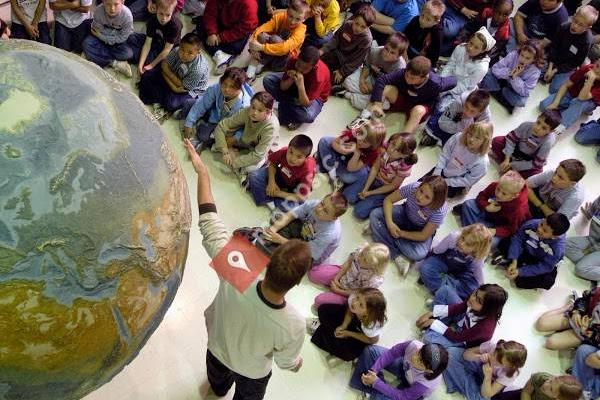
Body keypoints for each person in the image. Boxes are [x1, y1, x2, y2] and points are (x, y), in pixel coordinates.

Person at [183, 138, 310, 400]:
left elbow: (209, 222)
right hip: (252, 373)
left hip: (217, 349)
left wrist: (204, 173)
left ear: (267, 262)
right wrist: (297, 365)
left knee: (217, 385)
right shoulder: (293, 324)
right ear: (296, 283)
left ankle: (218, 391)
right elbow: (287, 362)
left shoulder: (237, 272)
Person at [355, 56, 457, 134]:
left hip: (419, 105)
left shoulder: (436, 83)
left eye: (412, 78)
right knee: (387, 89)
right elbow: (382, 80)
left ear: (424, 77)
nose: (408, 79)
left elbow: (454, 81)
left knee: (418, 111)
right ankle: (362, 119)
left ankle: (402, 142)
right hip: (404, 99)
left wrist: (441, 83)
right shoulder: (403, 73)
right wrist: (377, 103)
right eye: (407, 75)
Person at [369, 175, 449, 275]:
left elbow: (423, 235)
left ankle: (381, 233)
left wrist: (400, 233)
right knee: (375, 214)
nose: (420, 197)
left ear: (434, 201)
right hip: (405, 213)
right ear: (420, 186)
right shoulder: (413, 187)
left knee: (420, 254)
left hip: (420, 228)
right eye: (421, 191)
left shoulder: (439, 211)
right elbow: (388, 200)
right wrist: (389, 223)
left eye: (427, 197)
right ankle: (396, 255)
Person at [344, 133, 418, 220]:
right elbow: (375, 167)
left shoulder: (404, 167)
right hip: (375, 177)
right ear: (391, 140)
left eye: (397, 150)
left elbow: (392, 186)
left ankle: (377, 202)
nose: (391, 149)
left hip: (385, 189)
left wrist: (370, 193)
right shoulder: (384, 148)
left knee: (359, 211)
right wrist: (366, 188)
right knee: (348, 196)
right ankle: (363, 194)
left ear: (404, 155)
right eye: (393, 144)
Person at [263, 192, 348, 265]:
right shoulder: (314, 204)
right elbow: (291, 215)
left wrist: (281, 240)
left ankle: (279, 249)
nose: (319, 209)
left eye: (325, 211)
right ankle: (278, 242)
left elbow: (307, 251)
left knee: (297, 261)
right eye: (322, 203)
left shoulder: (330, 233)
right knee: (286, 221)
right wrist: (273, 229)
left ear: (333, 218)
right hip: (304, 231)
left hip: (312, 253)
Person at [138, 33, 210, 118]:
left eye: (190, 53)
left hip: (189, 90)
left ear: (198, 53)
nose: (184, 55)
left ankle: (159, 99)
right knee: (147, 75)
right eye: (182, 49)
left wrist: (165, 74)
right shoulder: (176, 50)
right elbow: (164, 65)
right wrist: (173, 87)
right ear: (179, 45)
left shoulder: (198, 69)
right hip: (175, 76)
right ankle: (160, 100)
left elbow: (182, 86)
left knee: (171, 104)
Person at [416, 283, 509, 349]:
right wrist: (433, 313)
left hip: (462, 341)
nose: (472, 299)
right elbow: (459, 308)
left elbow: (457, 338)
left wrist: (434, 323)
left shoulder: (484, 328)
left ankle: (434, 326)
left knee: (429, 338)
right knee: (445, 290)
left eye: (479, 301)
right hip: (463, 321)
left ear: (487, 309)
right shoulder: (474, 301)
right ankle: (436, 323)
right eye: (475, 293)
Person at [307, 288, 387, 361]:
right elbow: (349, 310)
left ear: (368, 313)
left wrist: (348, 333)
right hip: (352, 320)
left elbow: (372, 340)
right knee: (323, 309)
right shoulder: (354, 299)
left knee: (349, 354)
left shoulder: (372, 324)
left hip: (361, 334)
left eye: (361, 305)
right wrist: (344, 325)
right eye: (357, 298)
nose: (355, 302)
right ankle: (326, 334)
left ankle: (320, 330)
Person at [262, 45, 331, 130]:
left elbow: (306, 103)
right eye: (298, 65)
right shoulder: (293, 60)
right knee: (268, 80)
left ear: (313, 67)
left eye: (305, 68)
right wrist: (291, 79)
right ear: (298, 57)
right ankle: (290, 105)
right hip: (295, 86)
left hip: (314, 97)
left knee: (309, 116)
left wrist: (301, 86)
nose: (300, 70)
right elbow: (283, 87)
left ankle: (286, 105)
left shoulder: (318, 76)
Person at [456, 170, 531, 249]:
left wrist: (495, 231)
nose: (498, 194)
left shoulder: (519, 210)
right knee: (468, 204)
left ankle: (474, 234)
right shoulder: (496, 185)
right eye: (498, 189)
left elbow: (511, 229)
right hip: (489, 214)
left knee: (493, 242)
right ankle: (475, 234)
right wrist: (486, 206)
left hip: (498, 226)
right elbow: (481, 196)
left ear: (514, 196)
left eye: (504, 194)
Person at [212, 91, 280, 177]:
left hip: (261, 150)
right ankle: (235, 156)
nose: (254, 112)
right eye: (253, 107)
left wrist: (234, 161)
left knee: (250, 168)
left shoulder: (271, 127)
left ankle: (240, 163)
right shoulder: (247, 111)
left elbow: (258, 155)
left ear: (268, 112)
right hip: (246, 140)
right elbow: (222, 126)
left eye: (260, 110)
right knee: (220, 135)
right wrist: (225, 151)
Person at [349, 341, 449, 399]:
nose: (414, 357)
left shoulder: (425, 384)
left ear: (429, 370)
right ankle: (370, 386)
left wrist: (377, 383)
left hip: (412, 388)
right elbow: (392, 353)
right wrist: (374, 370)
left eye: (420, 361)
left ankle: (373, 389)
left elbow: (402, 397)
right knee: (371, 351)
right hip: (404, 368)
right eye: (419, 352)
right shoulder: (414, 345)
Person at [494, 213, 569, 290]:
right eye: (542, 224)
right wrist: (514, 260)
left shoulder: (558, 248)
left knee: (548, 281)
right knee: (505, 242)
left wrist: (520, 272)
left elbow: (545, 266)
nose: (539, 229)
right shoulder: (532, 224)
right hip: (526, 250)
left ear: (554, 236)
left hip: (540, 261)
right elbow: (518, 238)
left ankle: (516, 268)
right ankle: (513, 263)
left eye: (545, 230)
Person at [182, 67, 253, 149]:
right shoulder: (218, 87)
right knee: (188, 103)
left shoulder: (245, 106)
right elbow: (201, 104)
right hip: (212, 111)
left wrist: (235, 137)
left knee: (204, 136)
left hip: (223, 125)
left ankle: (202, 128)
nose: (226, 89)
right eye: (225, 84)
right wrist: (189, 123)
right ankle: (198, 123)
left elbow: (244, 127)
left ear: (240, 88)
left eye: (232, 87)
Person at [419, 224, 492, 301]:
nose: (462, 244)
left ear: (477, 249)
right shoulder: (453, 237)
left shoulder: (478, 256)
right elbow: (436, 251)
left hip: (463, 271)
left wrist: (482, 289)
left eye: (468, 244)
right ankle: (446, 292)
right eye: (463, 238)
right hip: (445, 260)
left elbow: (478, 275)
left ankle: (442, 287)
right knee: (426, 268)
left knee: (473, 289)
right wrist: (425, 261)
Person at [247, 134, 317, 212]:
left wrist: (279, 193)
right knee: (254, 176)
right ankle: (270, 201)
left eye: (299, 157)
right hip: (282, 175)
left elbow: (302, 197)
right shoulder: (283, 151)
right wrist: (271, 182)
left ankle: (270, 196)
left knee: (293, 208)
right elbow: (272, 164)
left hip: (295, 188)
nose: (292, 158)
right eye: (291, 152)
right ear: (288, 147)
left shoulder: (308, 170)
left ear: (306, 158)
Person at [339, 32, 407, 110]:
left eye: (392, 53)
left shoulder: (400, 68)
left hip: (383, 89)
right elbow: (367, 65)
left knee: (385, 105)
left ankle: (348, 94)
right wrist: (362, 80)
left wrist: (373, 89)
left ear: (398, 56)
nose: (387, 53)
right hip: (371, 78)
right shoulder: (375, 51)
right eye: (386, 49)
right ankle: (357, 96)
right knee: (348, 80)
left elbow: (391, 89)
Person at [245, 0, 310, 82]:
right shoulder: (280, 16)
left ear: (304, 19)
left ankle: (259, 66)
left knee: (275, 39)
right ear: (286, 12)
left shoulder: (301, 31)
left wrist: (262, 48)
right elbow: (263, 28)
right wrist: (254, 43)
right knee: (261, 36)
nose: (292, 21)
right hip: (273, 48)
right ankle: (251, 73)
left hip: (283, 61)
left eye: (298, 19)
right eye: (290, 16)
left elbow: (284, 48)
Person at [308, 243, 389, 307]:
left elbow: (359, 293)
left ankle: (338, 299)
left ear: (373, 267)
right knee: (313, 274)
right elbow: (348, 263)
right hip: (343, 275)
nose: (360, 258)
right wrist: (336, 279)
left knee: (319, 301)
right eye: (362, 254)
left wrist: (339, 291)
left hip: (349, 293)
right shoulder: (361, 252)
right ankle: (332, 286)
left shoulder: (374, 280)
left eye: (365, 260)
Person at [443, 340, 528, 400]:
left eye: (499, 362)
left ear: (510, 366)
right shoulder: (493, 345)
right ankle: (461, 384)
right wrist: (479, 357)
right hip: (477, 366)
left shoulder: (512, 373)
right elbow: (466, 354)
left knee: (480, 398)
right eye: (494, 354)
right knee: (449, 353)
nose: (493, 360)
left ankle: (456, 381)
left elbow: (487, 394)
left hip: (486, 382)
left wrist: (488, 376)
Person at [316, 119, 385, 192]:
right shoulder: (354, 133)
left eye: (364, 142)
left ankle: (328, 167)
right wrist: (344, 150)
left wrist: (356, 153)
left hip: (348, 167)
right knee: (324, 141)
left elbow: (350, 169)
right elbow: (334, 142)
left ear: (372, 145)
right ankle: (331, 171)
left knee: (348, 178)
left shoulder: (373, 152)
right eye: (360, 136)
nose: (360, 141)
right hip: (340, 157)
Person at [426, 122, 492, 198]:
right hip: (443, 169)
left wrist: (446, 182)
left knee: (435, 196)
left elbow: (468, 180)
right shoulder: (458, 137)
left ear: (485, 141)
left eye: (477, 138)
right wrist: (437, 171)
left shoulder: (482, 163)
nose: (471, 139)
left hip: (456, 181)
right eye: (470, 134)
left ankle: (463, 190)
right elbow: (445, 154)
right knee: (424, 184)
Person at [438, 27, 496, 110]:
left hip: (461, 91)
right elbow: (450, 65)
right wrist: (442, 81)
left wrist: (445, 90)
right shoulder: (460, 48)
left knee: (440, 108)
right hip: (449, 79)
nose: (470, 48)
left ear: (483, 51)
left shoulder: (481, 68)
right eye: (471, 43)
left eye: (476, 47)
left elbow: (464, 86)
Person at [490, 110, 560, 178]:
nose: (538, 128)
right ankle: (508, 166)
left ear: (550, 131)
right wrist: (507, 159)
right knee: (497, 141)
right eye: (538, 122)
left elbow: (536, 163)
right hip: (516, 150)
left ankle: (508, 166)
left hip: (528, 159)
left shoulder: (548, 142)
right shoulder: (526, 125)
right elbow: (511, 139)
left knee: (536, 173)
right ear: (537, 117)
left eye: (544, 128)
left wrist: (512, 165)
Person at [543, 5, 597, 93]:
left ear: (588, 28)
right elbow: (554, 47)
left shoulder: (586, 41)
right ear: (574, 16)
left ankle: (556, 76)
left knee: (554, 89)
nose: (575, 26)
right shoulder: (563, 26)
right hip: (555, 58)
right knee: (537, 69)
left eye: (581, 25)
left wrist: (555, 71)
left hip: (568, 65)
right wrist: (550, 67)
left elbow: (575, 62)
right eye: (575, 21)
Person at [195, 0, 258, 74]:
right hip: (221, 22)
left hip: (237, 30)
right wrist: (211, 33)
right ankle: (219, 55)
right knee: (200, 24)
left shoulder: (249, 3)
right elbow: (210, 13)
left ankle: (219, 53)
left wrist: (221, 37)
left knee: (236, 47)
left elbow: (245, 28)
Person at [319, 4, 375, 87]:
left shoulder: (366, 40)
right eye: (356, 23)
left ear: (368, 27)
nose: (358, 28)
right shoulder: (347, 25)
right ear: (354, 18)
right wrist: (323, 50)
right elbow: (335, 39)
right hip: (336, 54)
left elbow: (357, 61)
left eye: (363, 27)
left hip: (346, 64)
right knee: (317, 62)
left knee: (331, 80)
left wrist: (342, 72)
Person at [480, 41, 544, 113]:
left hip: (514, 89)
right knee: (487, 75)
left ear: (534, 59)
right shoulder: (513, 55)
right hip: (501, 79)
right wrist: (509, 73)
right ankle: (500, 93)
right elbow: (495, 68)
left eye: (527, 58)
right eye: (522, 55)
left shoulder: (535, 72)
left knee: (521, 102)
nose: (523, 59)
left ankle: (500, 92)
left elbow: (525, 92)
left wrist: (515, 78)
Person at [540, 59, 600, 134]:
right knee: (543, 106)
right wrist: (555, 103)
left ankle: (562, 126)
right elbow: (565, 85)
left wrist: (591, 79)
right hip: (572, 94)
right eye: (597, 64)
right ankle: (569, 111)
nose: (596, 69)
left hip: (588, 102)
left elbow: (581, 97)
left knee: (578, 102)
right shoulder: (587, 68)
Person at [535, 286, 600, 350]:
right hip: (580, 316)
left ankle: (578, 344)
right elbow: (584, 299)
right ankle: (567, 307)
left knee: (550, 343)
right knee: (540, 324)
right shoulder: (597, 291)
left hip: (587, 334)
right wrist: (577, 311)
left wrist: (588, 332)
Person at [127, 0, 181, 77]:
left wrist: (151, 65)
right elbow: (147, 44)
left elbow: (166, 50)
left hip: (167, 48)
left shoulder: (175, 26)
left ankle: (136, 56)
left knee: (153, 66)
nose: (164, 18)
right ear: (156, 9)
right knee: (131, 37)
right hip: (155, 41)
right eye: (161, 14)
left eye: (168, 15)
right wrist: (140, 64)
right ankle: (137, 57)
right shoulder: (152, 21)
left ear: (172, 13)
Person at [420, 89, 491, 147]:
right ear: (465, 101)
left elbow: (483, 136)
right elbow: (443, 122)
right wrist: (461, 126)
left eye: (472, 111)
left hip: (466, 132)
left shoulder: (485, 117)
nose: (467, 112)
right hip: (452, 123)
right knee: (435, 125)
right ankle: (433, 137)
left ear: (480, 112)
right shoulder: (458, 102)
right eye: (466, 107)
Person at [82, 0, 134, 76]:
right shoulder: (98, 11)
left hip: (115, 41)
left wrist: (103, 36)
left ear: (122, 3)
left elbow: (122, 37)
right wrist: (111, 35)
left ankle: (94, 56)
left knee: (128, 54)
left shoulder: (127, 16)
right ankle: (114, 63)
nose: (112, 8)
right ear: (103, 2)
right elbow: (97, 30)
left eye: (116, 4)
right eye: (108, 4)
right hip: (104, 39)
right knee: (86, 43)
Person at [566, 196, 600, 282]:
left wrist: (590, 250)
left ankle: (590, 266)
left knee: (581, 269)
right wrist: (589, 213)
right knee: (564, 244)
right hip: (592, 238)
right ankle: (591, 265)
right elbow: (592, 212)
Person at [403, 0, 445, 65]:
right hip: (408, 50)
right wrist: (404, 53)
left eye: (428, 19)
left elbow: (434, 57)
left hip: (422, 58)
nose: (422, 21)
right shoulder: (415, 20)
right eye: (422, 16)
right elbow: (405, 38)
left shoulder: (437, 34)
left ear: (436, 22)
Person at [493, 373, 583, 400]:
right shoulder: (541, 378)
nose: (545, 385)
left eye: (551, 389)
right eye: (550, 380)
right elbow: (526, 392)